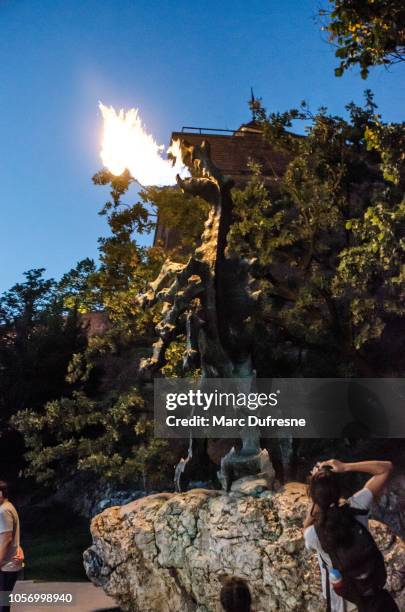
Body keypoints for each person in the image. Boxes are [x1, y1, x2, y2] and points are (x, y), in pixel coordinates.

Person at [303, 459, 398, 612]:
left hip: (341, 600)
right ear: (339, 491)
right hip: (371, 593)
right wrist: (346, 466)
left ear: (313, 498)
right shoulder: (357, 506)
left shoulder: (313, 534)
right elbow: (386, 468)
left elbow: (306, 527)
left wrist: (315, 495)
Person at [0, 481, 23, 612]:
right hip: (7, 565)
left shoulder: (3, 511)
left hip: (5, 566)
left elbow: (6, 539)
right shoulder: (7, 507)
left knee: (2, 605)